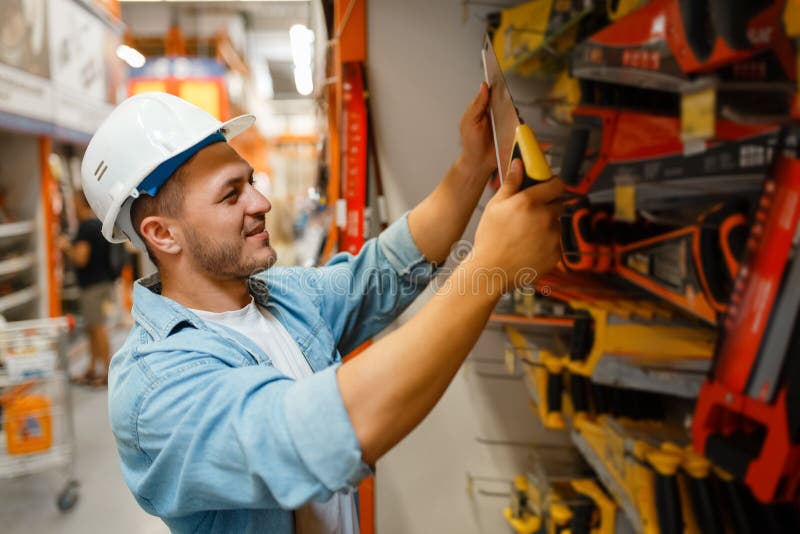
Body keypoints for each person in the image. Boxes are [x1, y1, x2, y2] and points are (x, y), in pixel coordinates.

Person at [80, 89, 563, 533]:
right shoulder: (155, 387)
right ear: (162, 234)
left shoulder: (279, 297)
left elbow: (384, 271)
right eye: (232, 194)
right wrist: (491, 269)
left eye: (251, 182)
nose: (262, 202)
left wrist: (470, 168)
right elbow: (317, 432)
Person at [58, 191, 115, 386]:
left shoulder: (85, 228)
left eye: (74, 203)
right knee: (93, 327)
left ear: (82, 204)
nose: (72, 207)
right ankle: (92, 368)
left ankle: (108, 372)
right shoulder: (99, 225)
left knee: (97, 328)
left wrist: (66, 247)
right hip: (103, 282)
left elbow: (81, 259)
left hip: (91, 285)